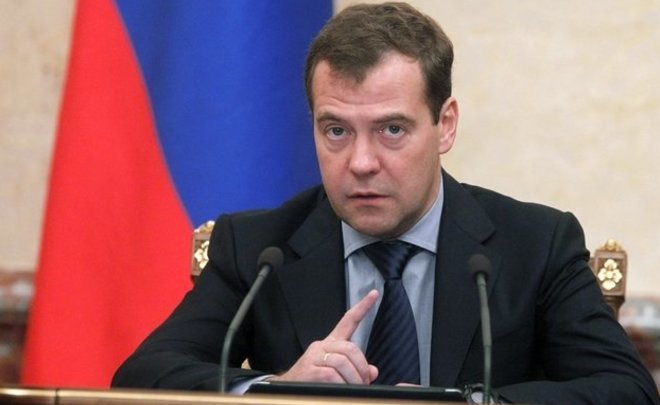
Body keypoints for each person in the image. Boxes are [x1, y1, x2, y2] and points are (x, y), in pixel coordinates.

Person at [112, 3, 660, 404]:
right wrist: (276, 389)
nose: (361, 162)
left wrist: (469, 403)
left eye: (391, 129)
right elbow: (143, 377)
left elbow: (627, 391)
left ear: (445, 125)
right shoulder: (259, 249)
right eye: (336, 130)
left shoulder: (535, 244)